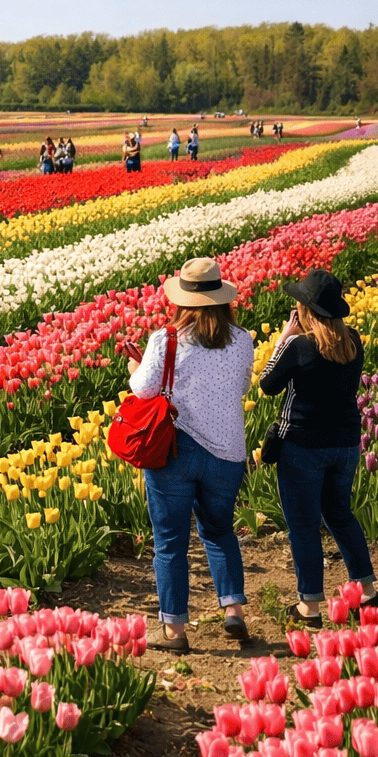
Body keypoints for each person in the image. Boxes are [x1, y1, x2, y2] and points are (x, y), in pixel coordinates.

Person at [128, 257, 254, 651]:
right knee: (219, 531)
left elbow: (143, 391)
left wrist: (135, 367)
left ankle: (175, 631)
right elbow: (242, 387)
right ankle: (233, 610)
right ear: (222, 299)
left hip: (175, 451)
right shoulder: (242, 340)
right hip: (227, 451)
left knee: (170, 542)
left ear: (182, 301)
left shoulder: (165, 340)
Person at [258, 270, 378, 627]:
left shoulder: (299, 346)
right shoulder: (352, 341)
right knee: (340, 515)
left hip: (303, 446)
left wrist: (282, 340)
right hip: (345, 444)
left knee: (304, 525)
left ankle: (309, 607)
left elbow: (267, 384)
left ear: (306, 310)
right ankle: (369, 593)